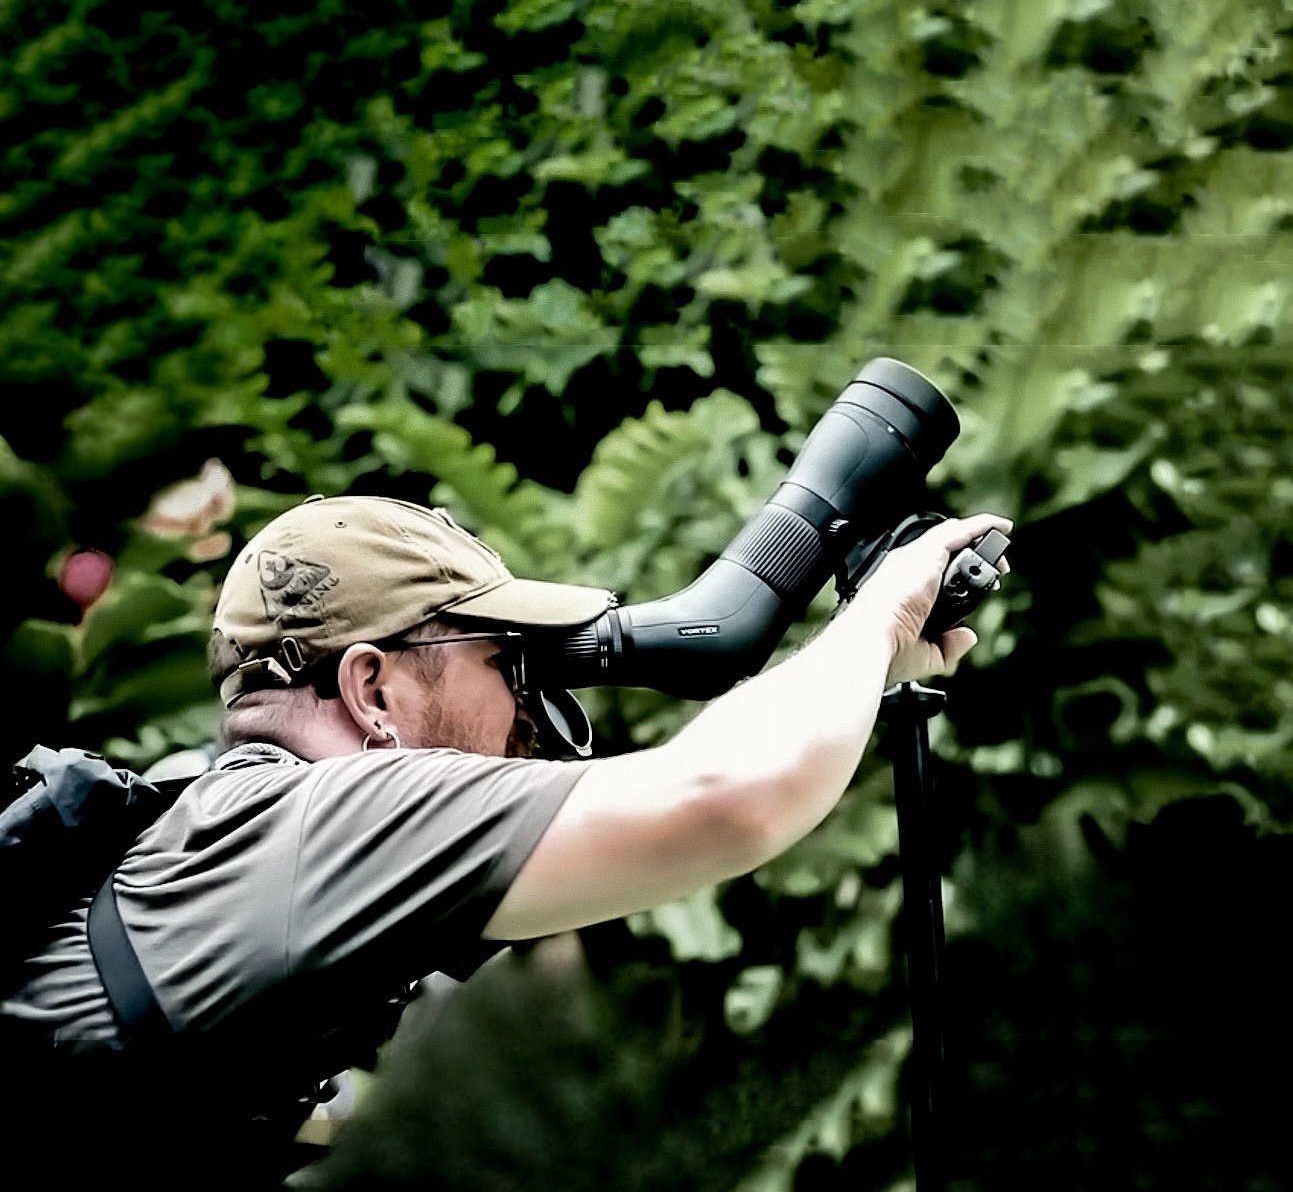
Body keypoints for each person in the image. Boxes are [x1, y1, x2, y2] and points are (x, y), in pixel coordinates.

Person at [1, 493, 1011, 1190]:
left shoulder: (217, 829)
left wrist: (860, 671)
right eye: (507, 666)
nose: (533, 717)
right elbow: (731, 800)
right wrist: (881, 613)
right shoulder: (321, 824)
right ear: (373, 690)